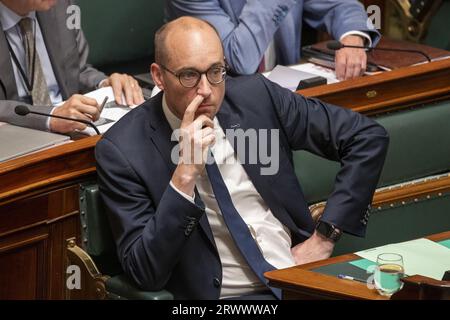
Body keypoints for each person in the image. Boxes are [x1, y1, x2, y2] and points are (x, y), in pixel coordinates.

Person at [95, 17, 389, 300]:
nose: (206, 90)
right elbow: (145, 273)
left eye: (215, 71)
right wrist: (184, 174)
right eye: (189, 75)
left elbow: (366, 137)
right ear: (159, 76)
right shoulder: (123, 150)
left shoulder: (256, 97)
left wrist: (325, 236)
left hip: (300, 279)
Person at [0, 0, 144, 133]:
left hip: (72, 128)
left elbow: (77, 70)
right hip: (14, 134)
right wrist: (49, 117)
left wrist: (104, 83)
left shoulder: (61, 5)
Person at [166, 0, 380, 80]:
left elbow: (343, 6)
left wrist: (353, 38)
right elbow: (239, 61)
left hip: (288, 94)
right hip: (225, 105)